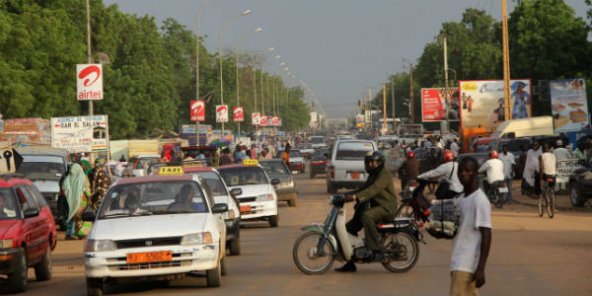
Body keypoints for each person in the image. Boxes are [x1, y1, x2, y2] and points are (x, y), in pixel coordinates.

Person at [335, 152, 398, 273]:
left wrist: (355, 197)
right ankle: (350, 263)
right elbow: (363, 188)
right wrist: (346, 195)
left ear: (379, 162)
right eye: (368, 162)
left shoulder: (383, 174)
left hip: (386, 208)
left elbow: (373, 190)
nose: (370, 164)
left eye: (373, 162)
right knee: (347, 229)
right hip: (375, 207)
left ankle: (375, 250)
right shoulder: (373, 175)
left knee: (367, 216)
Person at [449, 157, 492, 296]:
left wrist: (481, 268)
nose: (463, 174)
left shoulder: (479, 200)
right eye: (461, 171)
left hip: (467, 265)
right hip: (457, 262)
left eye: (468, 171)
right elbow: (457, 229)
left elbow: (487, 234)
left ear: (475, 173)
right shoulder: (460, 199)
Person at [62, 163, 91, 240]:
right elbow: (87, 190)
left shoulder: (68, 178)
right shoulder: (83, 177)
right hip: (82, 201)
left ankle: (70, 233)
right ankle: (81, 233)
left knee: (72, 216)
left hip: (71, 200)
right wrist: (89, 198)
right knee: (83, 217)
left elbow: (64, 187)